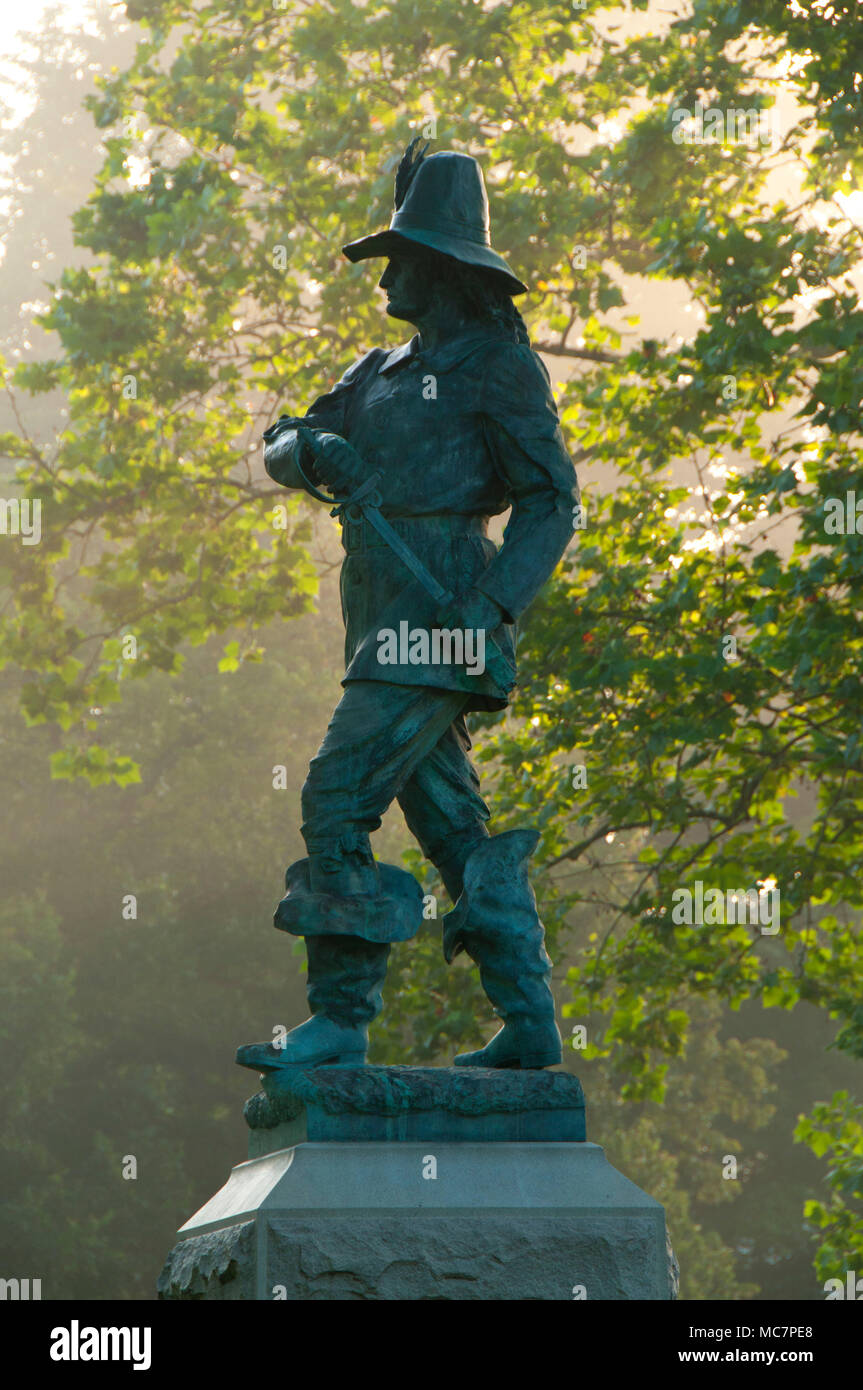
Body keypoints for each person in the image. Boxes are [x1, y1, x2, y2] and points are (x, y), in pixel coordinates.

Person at [237, 143, 580, 1074]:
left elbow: (552, 499)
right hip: (377, 611)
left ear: (445, 268)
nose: (386, 272)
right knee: (453, 828)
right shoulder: (375, 369)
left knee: (336, 796)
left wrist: (493, 604)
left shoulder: (500, 371)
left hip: (439, 611)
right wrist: (315, 455)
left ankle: (340, 1018)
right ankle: (529, 1017)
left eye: (402, 255)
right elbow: (280, 438)